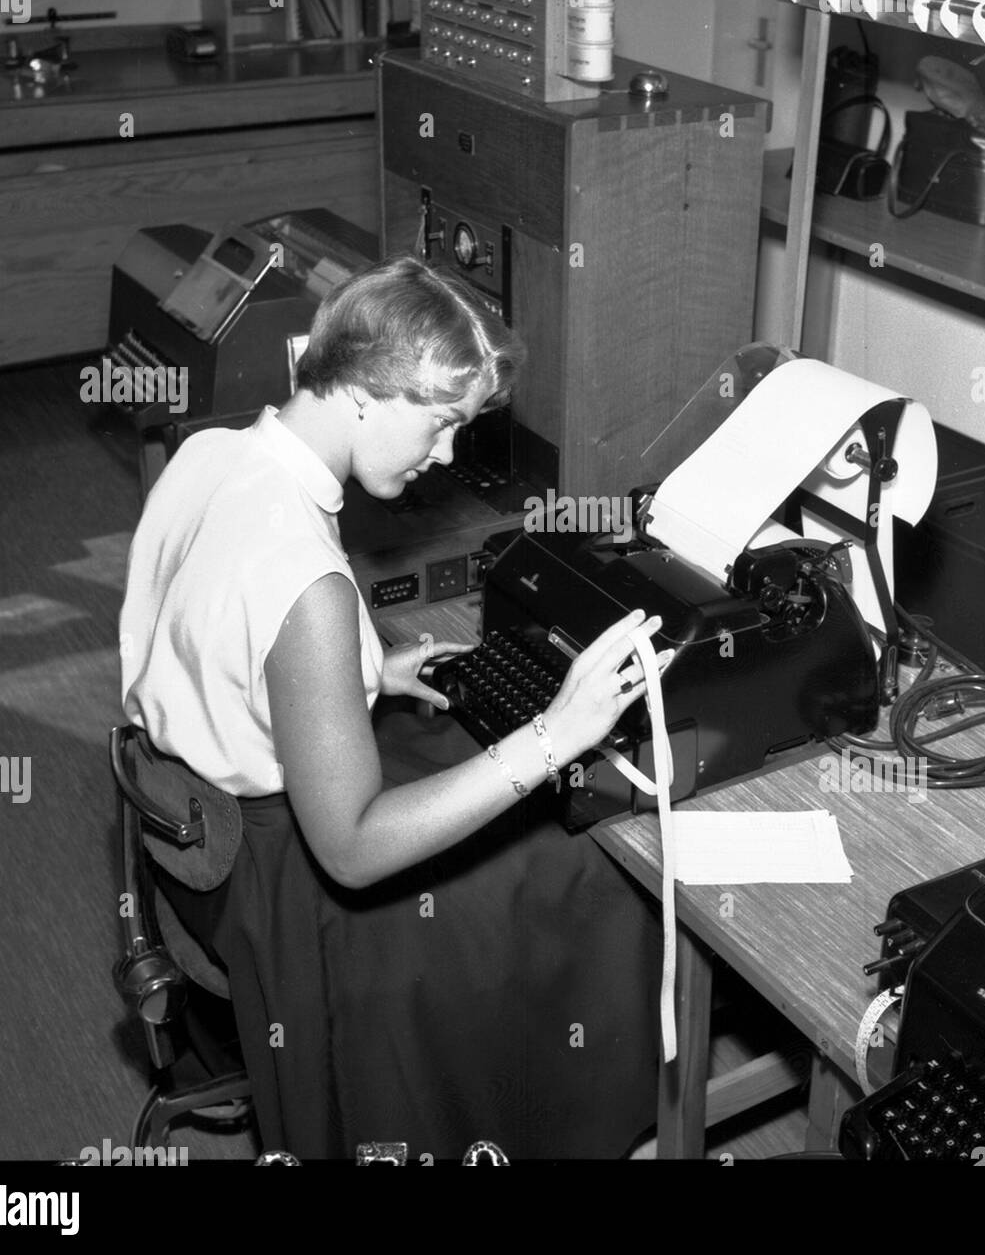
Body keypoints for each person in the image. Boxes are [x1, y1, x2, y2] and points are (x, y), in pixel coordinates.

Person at [119, 255, 664, 1161]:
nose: (447, 456)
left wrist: (366, 672)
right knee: (589, 869)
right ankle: (573, 1128)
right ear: (368, 392)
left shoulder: (213, 451)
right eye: (443, 425)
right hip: (274, 883)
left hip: (185, 828)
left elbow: (201, 619)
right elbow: (356, 850)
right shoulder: (313, 586)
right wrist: (552, 734)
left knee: (464, 760)